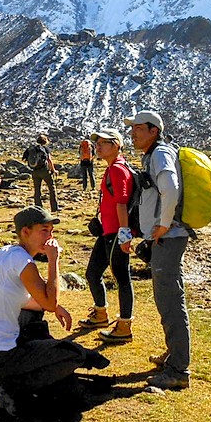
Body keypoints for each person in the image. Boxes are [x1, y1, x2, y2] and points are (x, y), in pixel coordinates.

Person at [0, 206, 109, 416]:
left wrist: (55, 307)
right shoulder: (23, 261)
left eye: (51, 231)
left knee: (37, 319)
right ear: (25, 232)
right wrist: (54, 261)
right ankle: (12, 388)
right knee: (73, 355)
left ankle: (8, 383)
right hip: (0, 356)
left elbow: (27, 299)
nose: (50, 237)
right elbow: (49, 302)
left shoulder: (6, 253)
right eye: (44, 230)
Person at [124, 109, 191, 390]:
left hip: (170, 236)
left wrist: (163, 225)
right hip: (166, 236)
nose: (132, 133)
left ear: (154, 130)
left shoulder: (161, 154)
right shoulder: (154, 154)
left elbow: (171, 189)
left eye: (138, 128)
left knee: (169, 298)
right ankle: (174, 354)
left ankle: (178, 370)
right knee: (168, 295)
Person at [80, 128, 135, 343]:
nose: (98, 146)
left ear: (117, 145)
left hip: (116, 232)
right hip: (108, 231)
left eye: (104, 143)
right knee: (93, 273)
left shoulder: (117, 170)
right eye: (98, 143)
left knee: (122, 278)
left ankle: (124, 326)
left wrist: (124, 233)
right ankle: (101, 314)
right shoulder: (112, 168)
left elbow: (122, 202)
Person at [24, 134, 58, 212]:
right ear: (45, 141)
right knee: (51, 188)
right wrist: (53, 170)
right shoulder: (44, 148)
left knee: (37, 190)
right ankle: (54, 208)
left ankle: (38, 208)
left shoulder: (32, 149)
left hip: (35, 171)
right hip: (44, 170)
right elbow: (49, 160)